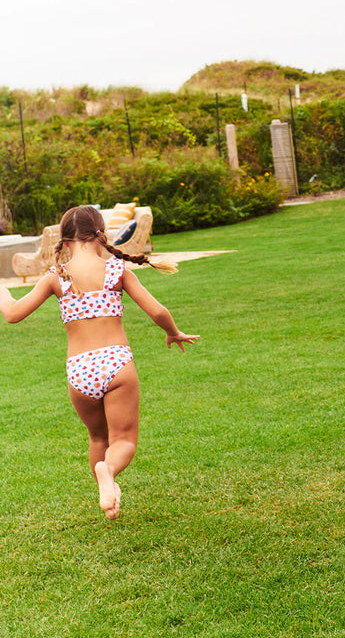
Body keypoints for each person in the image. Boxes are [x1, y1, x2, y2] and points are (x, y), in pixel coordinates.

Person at [0, 205, 199, 520]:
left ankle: (107, 489)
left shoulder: (56, 277)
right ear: (101, 235)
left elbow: (12, 314)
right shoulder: (117, 270)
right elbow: (158, 311)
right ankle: (108, 472)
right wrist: (173, 333)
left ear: (64, 241)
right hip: (116, 362)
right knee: (123, 441)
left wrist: (2, 291)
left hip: (79, 369)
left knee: (98, 437)